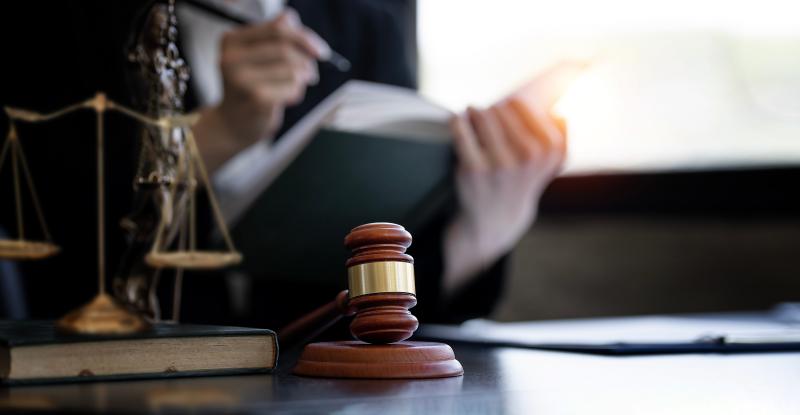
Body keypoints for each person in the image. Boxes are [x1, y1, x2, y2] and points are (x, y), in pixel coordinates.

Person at [0, 0, 565, 329]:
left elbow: (375, 298)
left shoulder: (363, 17)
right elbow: (43, 233)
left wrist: (486, 229)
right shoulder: (68, 24)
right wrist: (216, 134)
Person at [179, 0, 567, 326]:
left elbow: (389, 300)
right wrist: (218, 135)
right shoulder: (126, 33)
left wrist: (482, 230)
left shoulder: (365, 26)